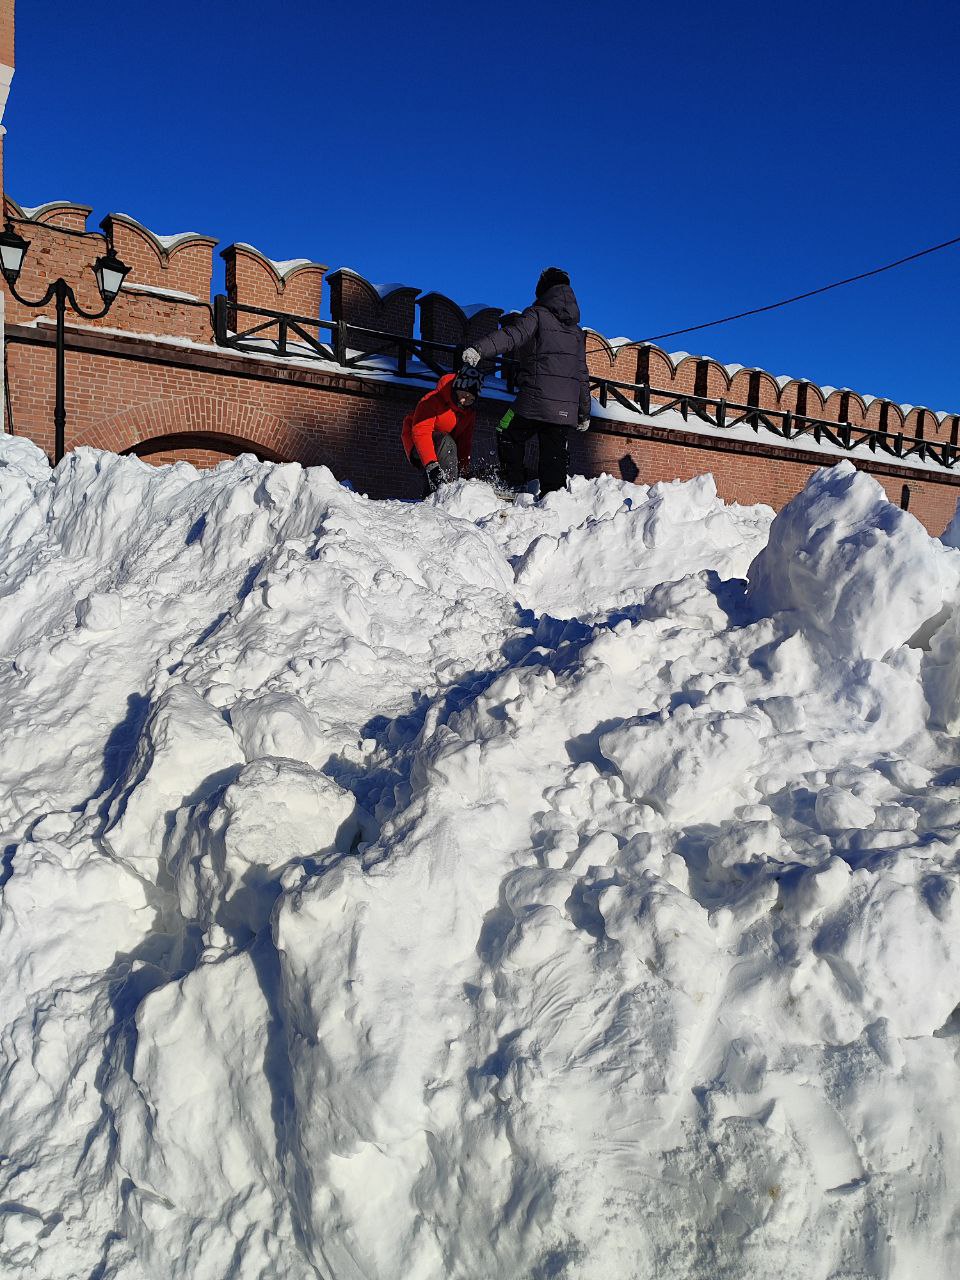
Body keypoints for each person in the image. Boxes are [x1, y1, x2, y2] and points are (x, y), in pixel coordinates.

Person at [461, 267, 591, 497]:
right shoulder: (576, 332)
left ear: (543, 291)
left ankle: (514, 484)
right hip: (565, 409)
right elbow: (581, 373)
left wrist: (480, 349)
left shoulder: (537, 315)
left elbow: (512, 336)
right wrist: (584, 412)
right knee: (554, 452)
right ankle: (553, 499)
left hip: (535, 399)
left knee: (506, 430)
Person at [401, 366, 481, 497]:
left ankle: (436, 496)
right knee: (447, 442)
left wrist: (464, 472)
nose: (464, 401)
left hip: (445, 448)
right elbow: (421, 432)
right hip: (418, 442)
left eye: (470, 399)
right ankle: (448, 494)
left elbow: (464, 443)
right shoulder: (432, 400)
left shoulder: (469, 413)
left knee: (449, 446)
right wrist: (431, 465)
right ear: (456, 389)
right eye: (463, 395)